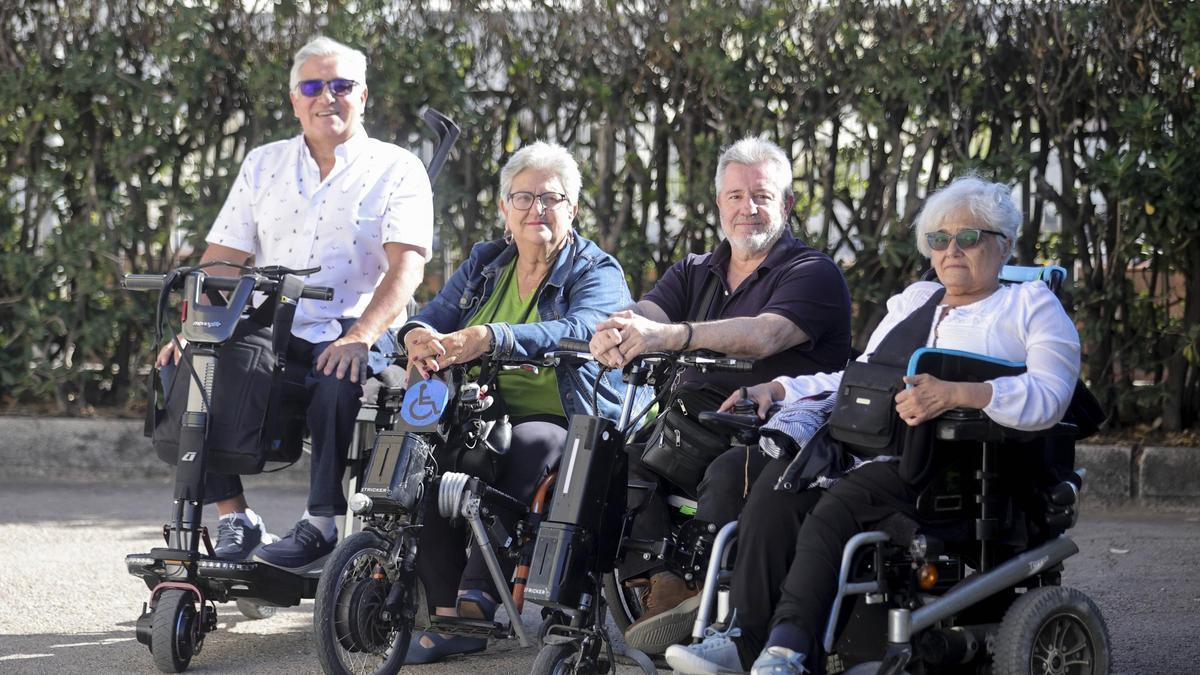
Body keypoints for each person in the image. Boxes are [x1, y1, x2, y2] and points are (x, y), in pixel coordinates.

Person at [665, 176, 1081, 675]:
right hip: (879, 445)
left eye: (969, 238)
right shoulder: (913, 302)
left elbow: (1051, 397)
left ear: (1004, 244)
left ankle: (789, 648)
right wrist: (777, 390)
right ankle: (744, 639)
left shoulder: (1030, 306)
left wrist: (959, 393)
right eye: (938, 239)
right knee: (779, 487)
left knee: (841, 502)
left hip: (959, 466)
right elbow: (858, 379)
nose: (952, 250)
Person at [154, 36, 432, 567]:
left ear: (363, 96)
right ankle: (235, 517)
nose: (327, 97)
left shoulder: (397, 168)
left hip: (360, 324)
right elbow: (220, 263)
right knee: (196, 371)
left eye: (341, 85)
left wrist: (359, 337)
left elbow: (406, 270)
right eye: (312, 86)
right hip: (273, 327)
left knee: (336, 379)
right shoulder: (264, 164)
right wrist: (191, 330)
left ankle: (320, 524)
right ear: (294, 100)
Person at [589, 136, 852, 654]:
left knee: (729, 473)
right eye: (735, 196)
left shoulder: (812, 272)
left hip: (777, 434)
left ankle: (717, 614)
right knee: (612, 465)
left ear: (788, 204)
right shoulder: (695, 269)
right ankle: (666, 584)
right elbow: (647, 314)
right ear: (718, 205)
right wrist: (616, 331)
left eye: (761, 195)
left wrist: (675, 336)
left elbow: (764, 335)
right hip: (694, 426)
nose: (747, 208)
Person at [397, 141, 638, 663]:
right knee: (427, 466)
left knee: (523, 449)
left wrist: (492, 336)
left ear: (572, 208)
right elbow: (433, 315)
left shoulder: (597, 270)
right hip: (483, 409)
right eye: (523, 198)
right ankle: (437, 607)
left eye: (551, 198)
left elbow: (582, 328)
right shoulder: (487, 262)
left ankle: (476, 605)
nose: (537, 210)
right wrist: (416, 337)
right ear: (504, 208)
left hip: (565, 415)